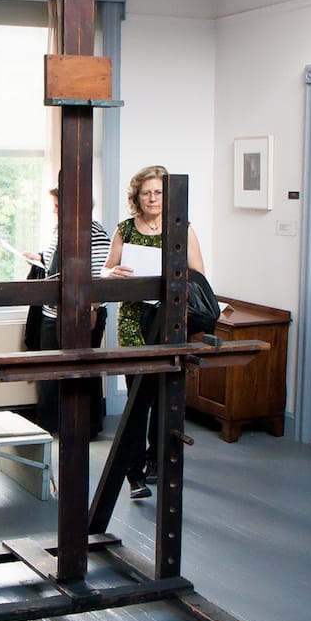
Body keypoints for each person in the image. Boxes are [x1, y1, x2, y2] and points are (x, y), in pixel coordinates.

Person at [102, 165, 205, 499]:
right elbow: (104, 272)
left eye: (158, 192)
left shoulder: (182, 229)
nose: (152, 198)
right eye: (146, 192)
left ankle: (158, 463)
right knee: (138, 397)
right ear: (137, 196)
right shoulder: (125, 229)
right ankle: (133, 473)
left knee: (166, 395)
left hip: (169, 317)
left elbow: (199, 275)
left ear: (168, 195)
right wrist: (113, 272)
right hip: (133, 316)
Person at [20, 187, 111, 436]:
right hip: (51, 312)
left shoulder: (96, 234)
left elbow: (100, 275)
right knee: (49, 371)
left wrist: (92, 309)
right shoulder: (57, 230)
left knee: (83, 372)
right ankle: (50, 425)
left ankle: (86, 427)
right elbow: (54, 263)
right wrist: (38, 258)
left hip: (82, 315)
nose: (54, 210)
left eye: (58, 205)